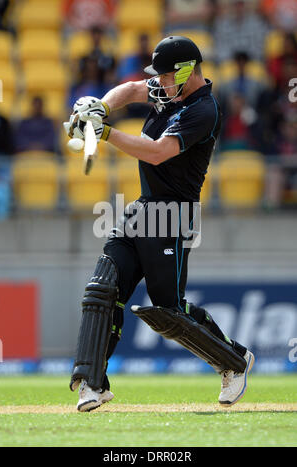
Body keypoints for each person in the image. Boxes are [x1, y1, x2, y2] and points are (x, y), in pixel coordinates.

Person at [64, 36, 255, 412]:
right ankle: (92, 383)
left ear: (186, 71)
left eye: (167, 76)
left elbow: (157, 153)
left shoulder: (203, 110)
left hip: (173, 215)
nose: (160, 83)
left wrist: (104, 132)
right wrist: (99, 107)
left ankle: (234, 361)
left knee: (170, 311)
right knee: (103, 289)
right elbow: (133, 88)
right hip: (142, 209)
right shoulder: (166, 90)